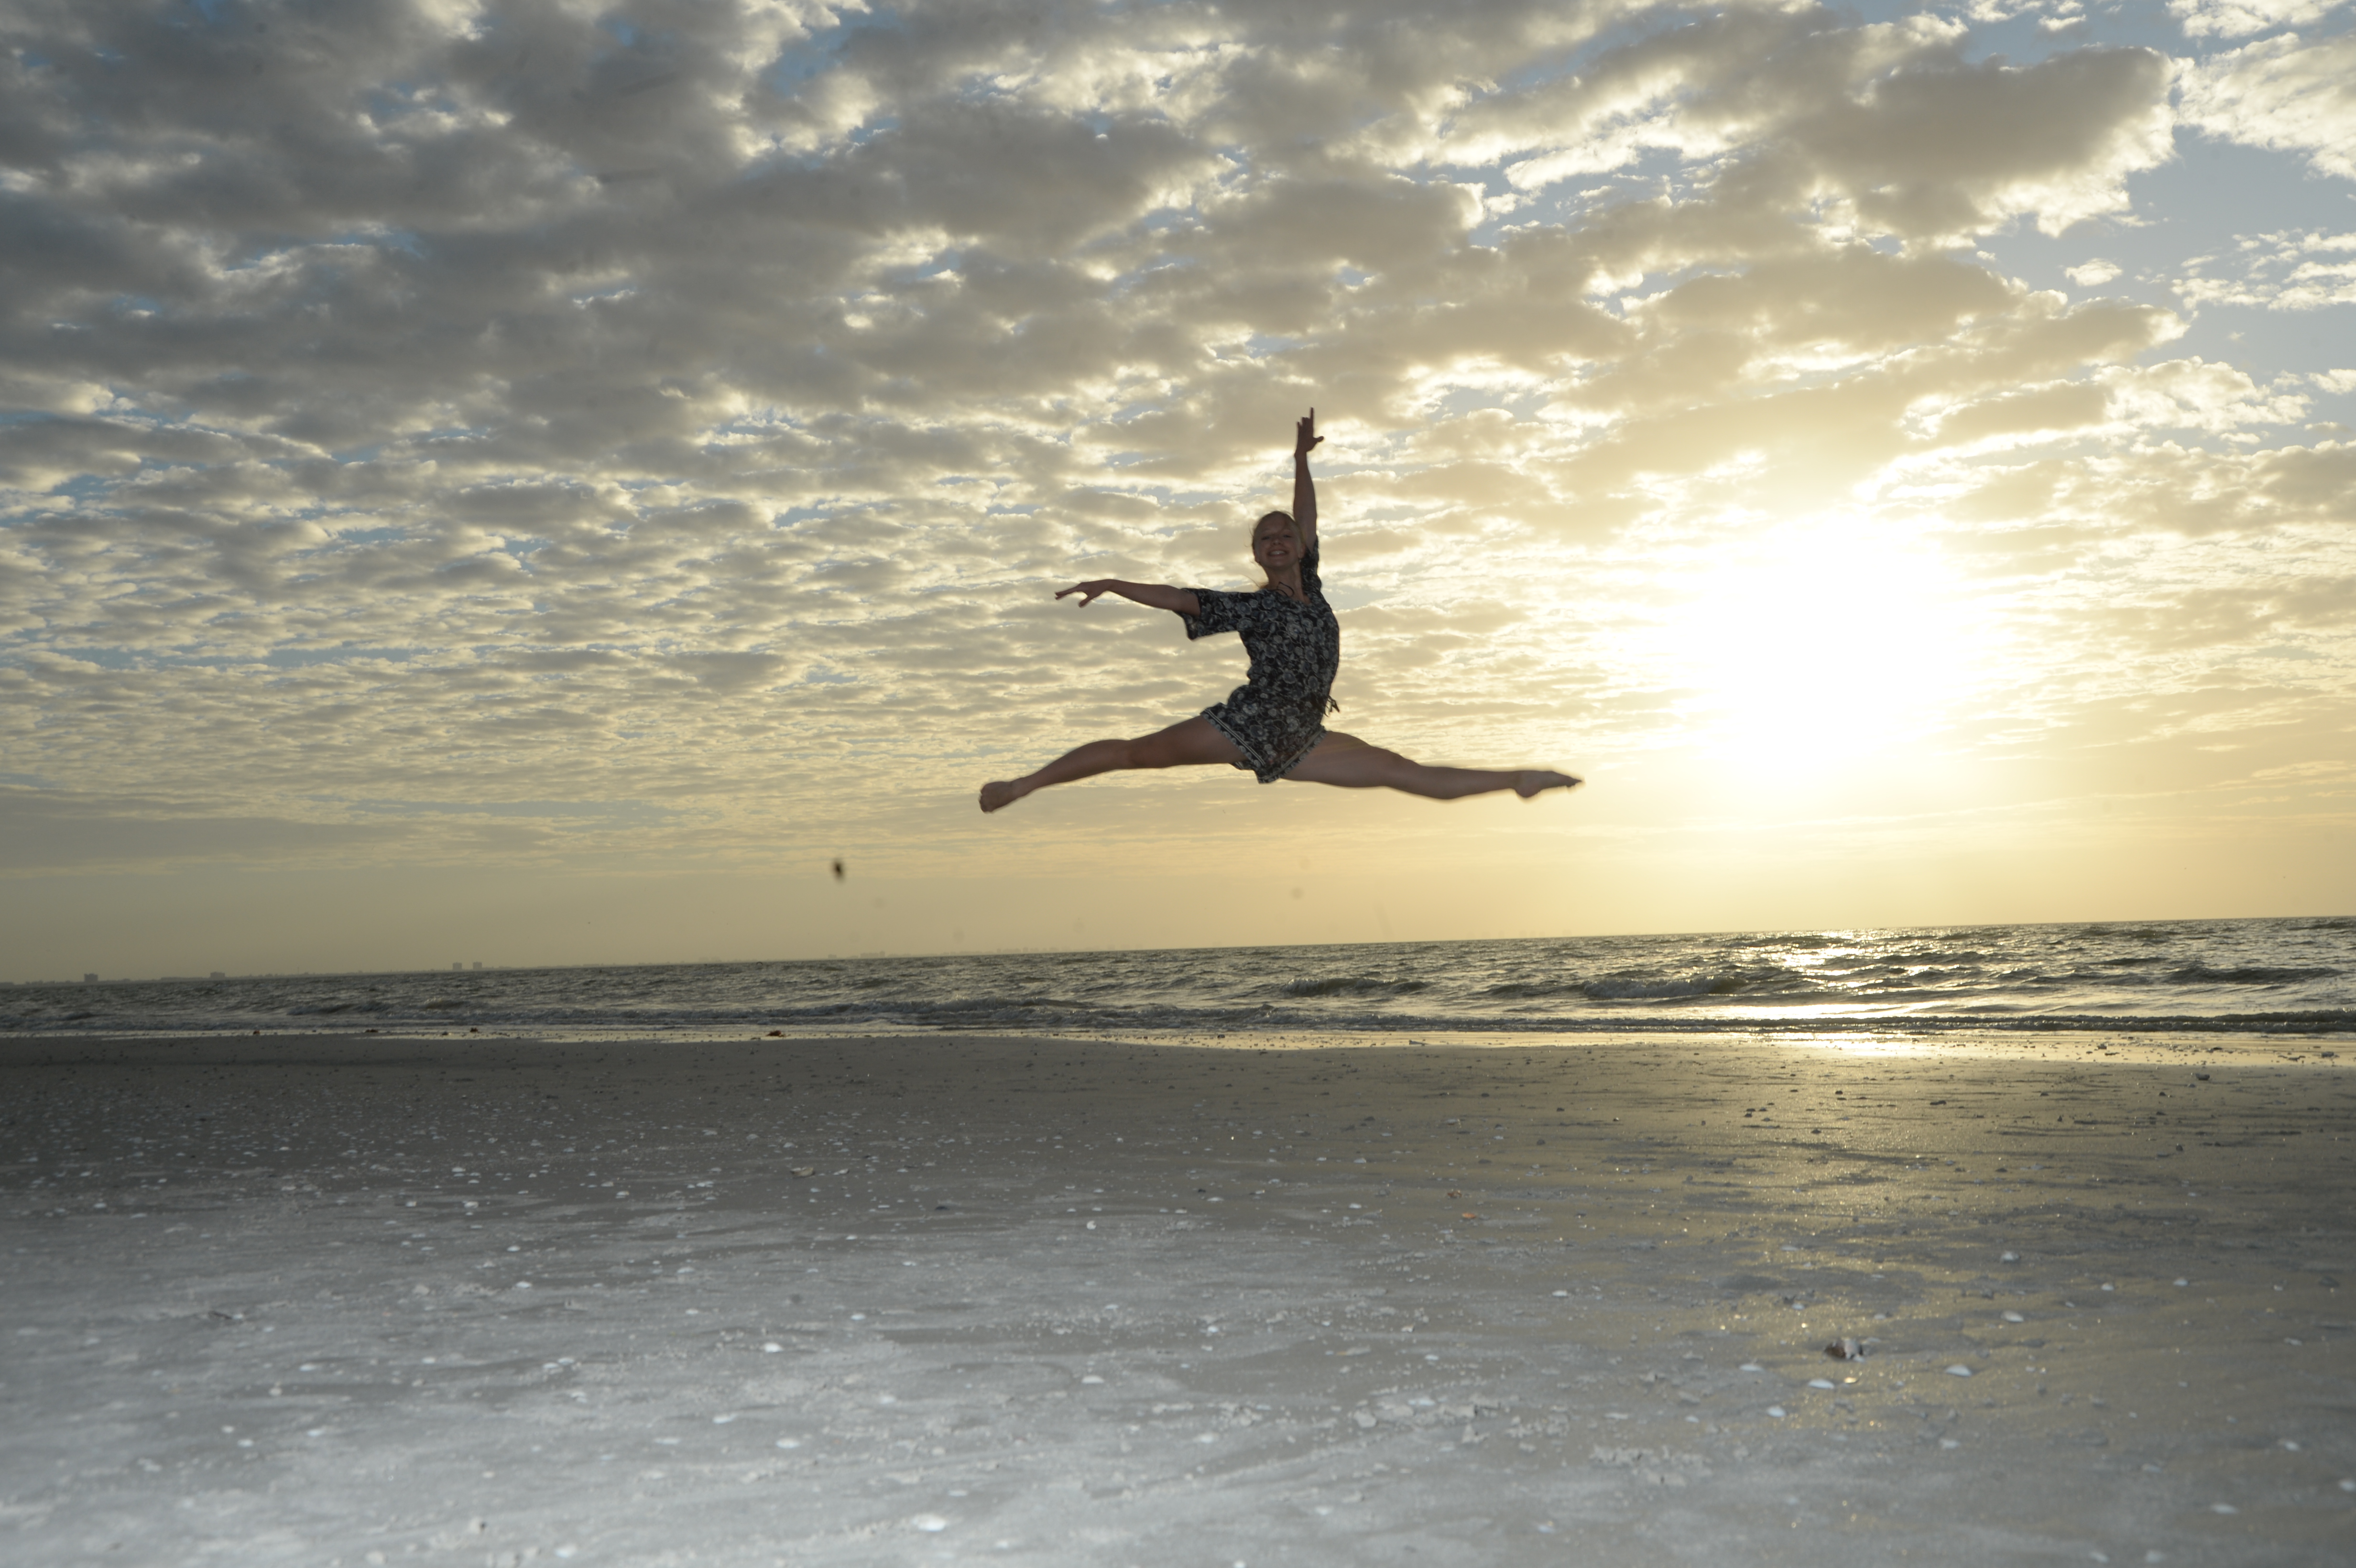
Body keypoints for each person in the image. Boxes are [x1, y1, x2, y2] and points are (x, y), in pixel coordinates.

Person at [977, 410, 1582, 813]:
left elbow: (1308, 516)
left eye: (1284, 534)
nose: (1277, 540)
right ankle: (1022, 786)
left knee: (1400, 770)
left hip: (1302, 735)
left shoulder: (1311, 586)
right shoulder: (1254, 607)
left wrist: (1301, 461)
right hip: (1250, 723)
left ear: (1297, 546)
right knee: (1134, 754)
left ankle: (1518, 779)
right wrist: (1113, 583)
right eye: (1264, 537)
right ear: (1256, 554)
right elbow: (1179, 597)